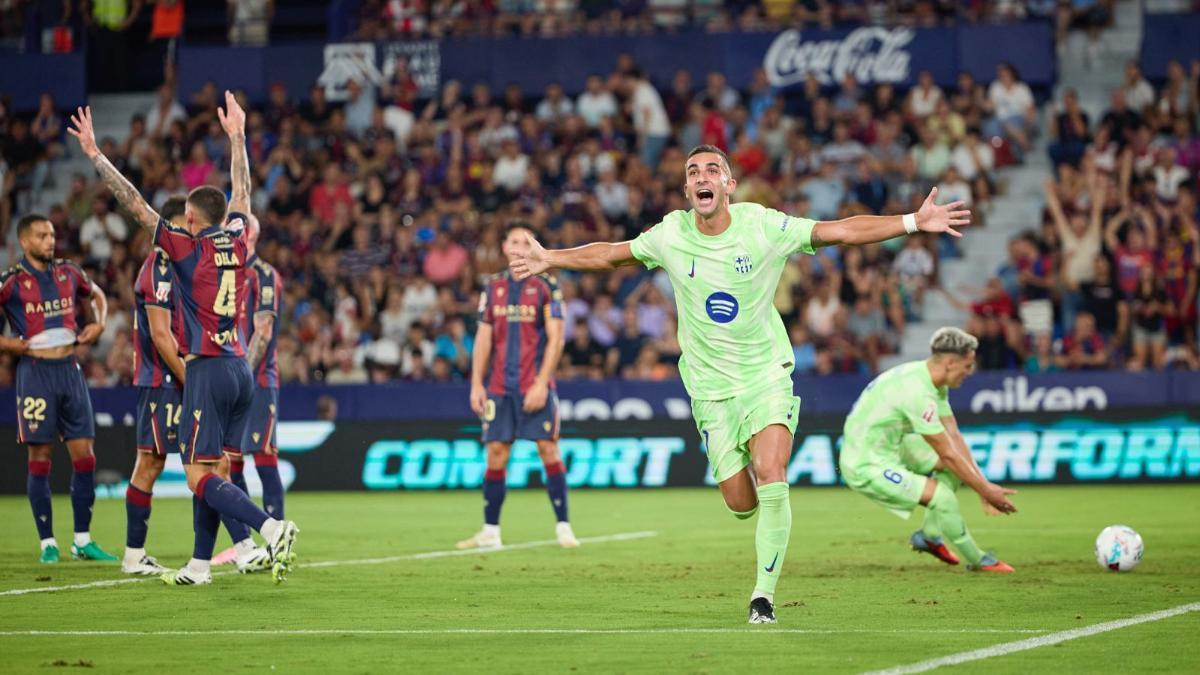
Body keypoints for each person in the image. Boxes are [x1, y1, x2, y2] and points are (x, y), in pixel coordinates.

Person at [508, 144, 971, 624]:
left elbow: (841, 230)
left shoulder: (763, 226)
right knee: (741, 503)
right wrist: (552, 259)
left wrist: (913, 222)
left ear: (729, 185)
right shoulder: (671, 233)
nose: (702, 176)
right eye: (693, 171)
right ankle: (747, 492)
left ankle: (763, 598)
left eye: (713, 169)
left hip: (765, 374)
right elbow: (611, 255)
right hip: (709, 389)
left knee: (773, 474)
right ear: (688, 189)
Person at [68, 95, 299, 586]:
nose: (182, 222)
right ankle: (199, 564)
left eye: (186, 217)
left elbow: (135, 204)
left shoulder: (186, 248)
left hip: (208, 368)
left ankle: (270, 527)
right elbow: (244, 189)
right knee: (217, 468)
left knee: (198, 475)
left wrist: (94, 155)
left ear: (192, 218)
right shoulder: (237, 237)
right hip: (241, 368)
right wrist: (237, 136)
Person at [840, 328, 1018, 573]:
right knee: (942, 496)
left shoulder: (929, 379)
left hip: (893, 445)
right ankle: (978, 561)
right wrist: (986, 490)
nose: (969, 372)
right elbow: (947, 452)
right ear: (950, 362)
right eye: (967, 366)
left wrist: (983, 487)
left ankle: (930, 536)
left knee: (956, 469)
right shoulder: (918, 393)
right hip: (866, 462)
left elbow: (954, 437)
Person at [0, 214, 116, 564]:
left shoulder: (69, 272)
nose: (50, 240)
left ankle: (82, 540)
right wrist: (9, 344)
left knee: (86, 457)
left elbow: (97, 297)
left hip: (70, 370)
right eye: (41, 236)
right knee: (41, 457)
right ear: (24, 242)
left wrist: (100, 325)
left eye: (51, 234)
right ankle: (47, 542)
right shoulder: (12, 282)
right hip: (35, 372)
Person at [458, 225, 578, 551]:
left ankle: (564, 526)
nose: (519, 247)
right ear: (504, 246)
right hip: (498, 387)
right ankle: (490, 531)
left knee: (547, 448)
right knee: (496, 454)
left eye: (526, 242)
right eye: (514, 241)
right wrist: (476, 384)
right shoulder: (493, 286)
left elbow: (557, 338)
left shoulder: (546, 286)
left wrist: (542, 383)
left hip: (533, 386)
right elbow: (483, 338)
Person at [213, 214, 287, 568]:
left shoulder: (263, 275)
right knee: (230, 462)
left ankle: (277, 543)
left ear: (251, 235)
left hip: (256, 382)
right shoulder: (224, 272)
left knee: (264, 458)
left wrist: (240, 373)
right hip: (228, 377)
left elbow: (264, 331)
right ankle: (245, 545)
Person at [122, 197, 188, 576]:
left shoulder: (178, 266)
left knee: (206, 462)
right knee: (150, 462)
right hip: (163, 380)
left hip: (173, 376)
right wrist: (192, 380)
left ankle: (236, 546)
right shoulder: (159, 268)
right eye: (184, 226)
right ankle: (133, 555)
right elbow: (162, 338)